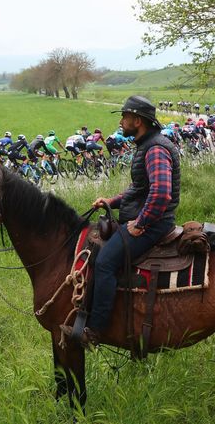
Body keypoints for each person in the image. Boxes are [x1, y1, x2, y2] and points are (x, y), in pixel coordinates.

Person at [60, 95, 181, 348]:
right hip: (143, 218)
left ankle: (95, 330)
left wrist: (141, 223)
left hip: (154, 224)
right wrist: (111, 201)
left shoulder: (155, 149)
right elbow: (140, 188)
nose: (122, 121)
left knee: (104, 262)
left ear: (137, 121)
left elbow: (161, 193)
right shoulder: (146, 145)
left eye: (125, 117)